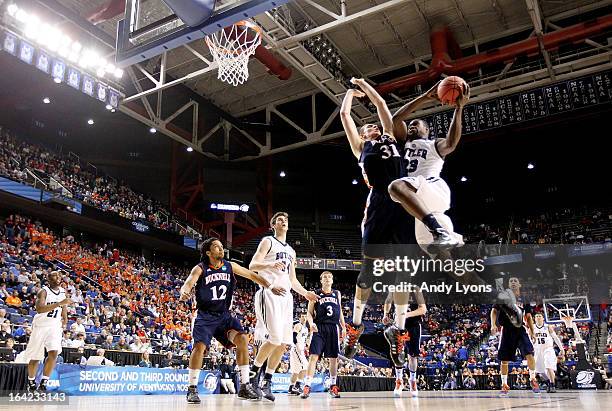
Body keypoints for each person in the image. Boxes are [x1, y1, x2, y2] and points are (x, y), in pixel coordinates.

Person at [339, 78, 415, 369]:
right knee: (368, 274)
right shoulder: (360, 148)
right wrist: (350, 91)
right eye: (367, 126)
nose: (373, 126)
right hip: (380, 204)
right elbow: (345, 115)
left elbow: (382, 106)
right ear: (362, 134)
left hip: (403, 203)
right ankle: (355, 327)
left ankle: (397, 329)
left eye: (374, 125)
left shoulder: (390, 138)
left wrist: (367, 87)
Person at [180, 237, 285, 404]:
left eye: (222, 246)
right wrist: (184, 291)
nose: (221, 249)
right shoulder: (200, 268)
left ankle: (244, 386)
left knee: (243, 338)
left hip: (224, 316)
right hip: (205, 316)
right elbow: (188, 282)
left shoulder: (230, 266)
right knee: (199, 347)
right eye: (216, 247)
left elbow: (252, 275)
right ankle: (191, 388)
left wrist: (270, 286)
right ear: (208, 252)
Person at [388, 81, 468, 254]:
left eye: (416, 124)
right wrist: (424, 97)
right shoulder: (403, 144)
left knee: (395, 186)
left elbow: (452, 143)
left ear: (427, 130)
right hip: (423, 207)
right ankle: (474, 279)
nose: (411, 126)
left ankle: (439, 231)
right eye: (411, 125)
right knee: (443, 260)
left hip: (432, 187)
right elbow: (396, 119)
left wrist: (459, 109)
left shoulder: (434, 144)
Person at [248, 212, 318, 402]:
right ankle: (252, 378)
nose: (284, 221)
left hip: (286, 297)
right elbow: (253, 265)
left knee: (285, 343)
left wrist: (305, 293)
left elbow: (293, 279)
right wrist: (270, 264)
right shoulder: (268, 241)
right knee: (274, 338)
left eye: (286, 219)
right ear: (273, 225)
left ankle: (267, 381)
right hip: (269, 292)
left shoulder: (292, 251)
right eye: (280, 220)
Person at [21, 271, 72, 392]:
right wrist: (59, 303)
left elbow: (63, 307)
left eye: (59, 276)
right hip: (41, 326)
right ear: (48, 279)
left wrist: (65, 319)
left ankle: (44, 382)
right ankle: (31, 381)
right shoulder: (43, 291)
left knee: (54, 352)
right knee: (35, 357)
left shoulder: (62, 292)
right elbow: (40, 309)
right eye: (55, 275)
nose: (58, 277)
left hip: (54, 326)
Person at [490, 277, 540, 396]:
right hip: (506, 330)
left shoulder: (524, 299)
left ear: (520, 284)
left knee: (529, 354)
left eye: (515, 281)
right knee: (504, 360)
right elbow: (494, 311)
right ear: (508, 284)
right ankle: (504, 384)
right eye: (511, 281)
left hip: (520, 330)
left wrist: (532, 331)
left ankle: (533, 379)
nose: (513, 282)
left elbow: (528, 317)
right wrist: (493, 324)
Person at [301, 271, 346, 399]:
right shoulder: (315, 294)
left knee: (333, 358)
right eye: (325, 277)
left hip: (333, 328)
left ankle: (333, 386)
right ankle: (307, 385)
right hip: (319, 327)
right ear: (321, 281)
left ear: (332, 280)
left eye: (330, 277)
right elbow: (309, 312)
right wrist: (311, 324)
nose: (327, 279)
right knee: (313, 357)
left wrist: (343, 326)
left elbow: (340, 310)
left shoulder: (337, 293)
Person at [383, 290, 426, 397]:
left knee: (412, 356)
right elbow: (388, 301)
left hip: (413, 325)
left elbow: (423, 309)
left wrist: (405, 314)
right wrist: (386, 314)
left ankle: (412, 381)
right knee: (397, 353)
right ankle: (399, 381)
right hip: (398, 325)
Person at [533, 312, 564, 393]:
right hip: (537, 350)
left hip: (548, 349)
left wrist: (561, 348)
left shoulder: (548, 327)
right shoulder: (532, 328)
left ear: (543, 318)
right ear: (534, 319)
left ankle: (552, 384)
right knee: (540, 371)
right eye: (537, 316)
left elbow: (555, 338)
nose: (538, 317)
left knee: (548, 366)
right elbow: (529, 340)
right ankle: (548, 383)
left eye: (540, 316)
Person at [288, 314, 309, 395]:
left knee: (296, 371)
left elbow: (305, 340)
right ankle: (297, 386)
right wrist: (297, 346)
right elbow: (294, 337)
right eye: (302, 316)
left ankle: (291, 388)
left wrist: (307, 347)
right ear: (300, 317)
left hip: (301, 349)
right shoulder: (298, 325)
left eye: (305, 316)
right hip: (296, 349)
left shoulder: (306, 329)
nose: (304, 318)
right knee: (306, 367)